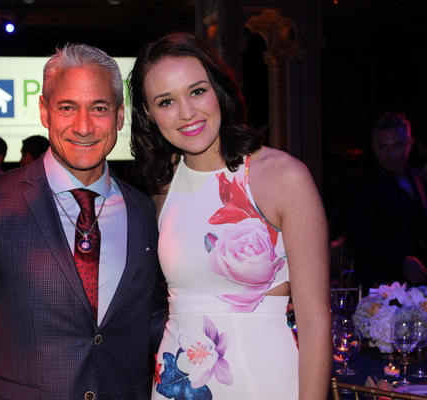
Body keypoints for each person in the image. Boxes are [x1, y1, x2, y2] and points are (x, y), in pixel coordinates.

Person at [0, 43, 168, 400]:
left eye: (99, 108)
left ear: (120, 116)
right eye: (67, 107)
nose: (84, 126)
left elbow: (151, 319)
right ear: (44, 111)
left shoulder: (143, 209)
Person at [129, 32, 331, 399]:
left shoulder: (283, 176)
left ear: (219, 89)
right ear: (147, 112)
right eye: (165, 101)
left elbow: (315, 321)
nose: (187, 112)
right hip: (179, 384)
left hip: (265, 382)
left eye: (197, 91)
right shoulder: (161, 185)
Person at [345, 112, 427, 290]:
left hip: (417, 287)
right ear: (374, 147)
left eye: (396, 145)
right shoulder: (363, 185)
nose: (389, 154)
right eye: (383, 147)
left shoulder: (419, 178)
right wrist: (401, 262)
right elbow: (355, 238)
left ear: (409, 145)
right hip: (379, 287)